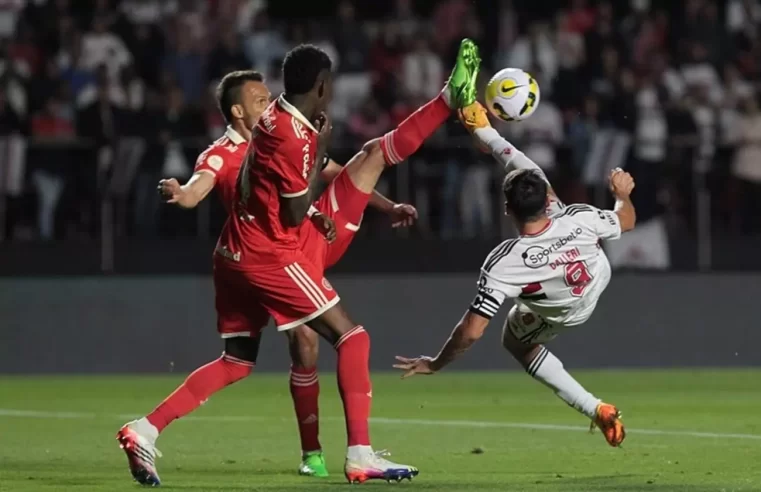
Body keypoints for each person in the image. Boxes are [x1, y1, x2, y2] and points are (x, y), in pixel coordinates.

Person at [117, 39, 481, 485]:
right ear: (324, 87)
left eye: (266, 94)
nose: (264, 99)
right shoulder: (285, 138)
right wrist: (314, 159)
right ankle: (357, 454)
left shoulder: (273, 123)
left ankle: (145, 429)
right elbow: (285, 197)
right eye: (256, 97)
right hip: (276, 253)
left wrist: (359, 201)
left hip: (237, 251)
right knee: (352, 338)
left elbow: (290, 183)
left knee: (237, 361)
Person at [393, 102, 636, 448]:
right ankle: (596, 409)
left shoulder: (505, 262)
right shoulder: (577, 215)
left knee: (515, 339)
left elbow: (472, 331)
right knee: (547, 196)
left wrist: (436, 363)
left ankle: (594, 407)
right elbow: (626, 220)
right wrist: (621, 196)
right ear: (543, 194)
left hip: (566, 310)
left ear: (507, 209)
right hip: (596, 274)